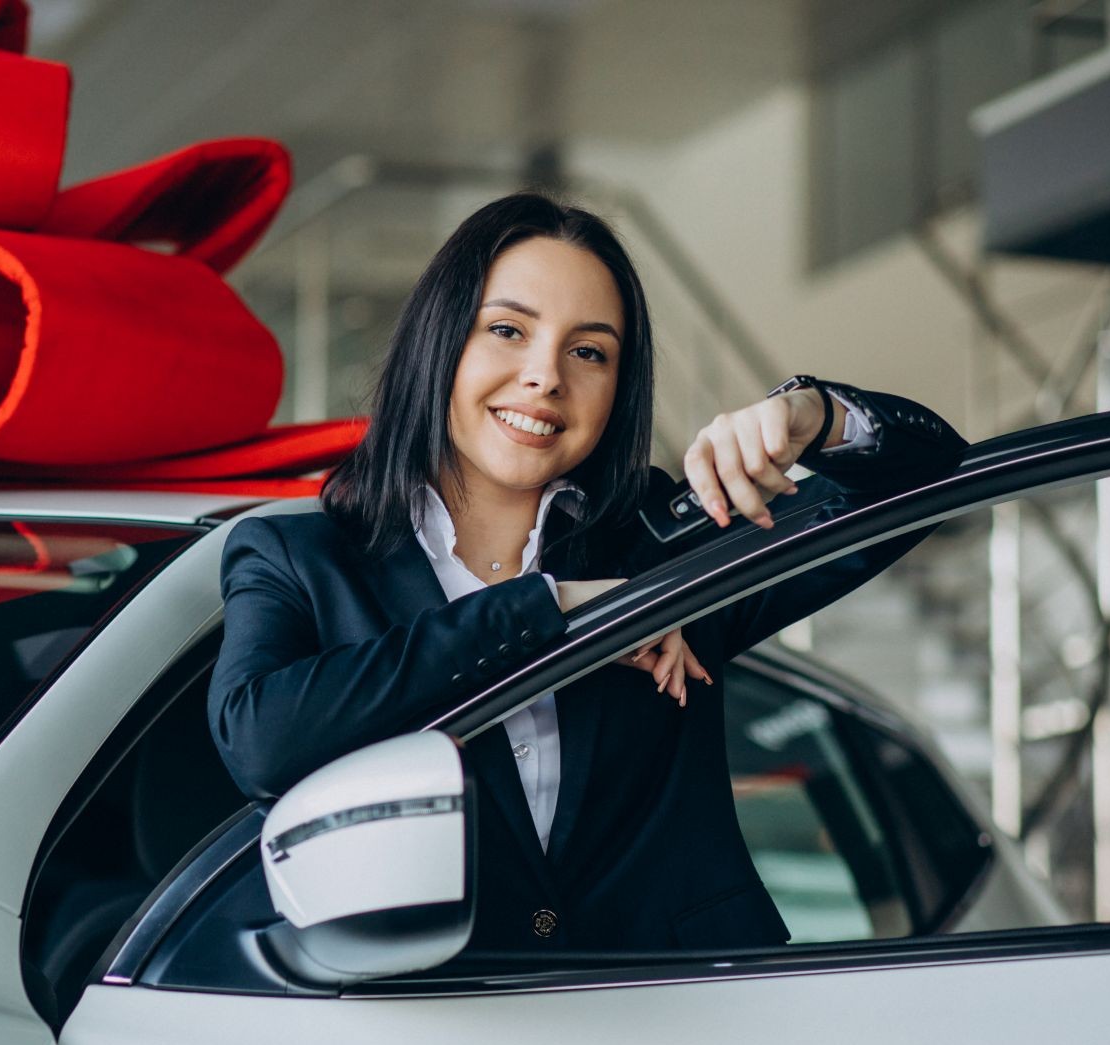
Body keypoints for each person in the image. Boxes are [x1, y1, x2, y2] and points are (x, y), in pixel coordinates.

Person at [208, 191, 966, 953]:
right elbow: (263, 741)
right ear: (440, 342)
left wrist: (814, 414)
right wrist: (558, 606)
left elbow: (923, 485)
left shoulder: (658, 538)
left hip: (693, 1009)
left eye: (589, 350)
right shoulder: (300, 557)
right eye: (507, 330)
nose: (545, 377)